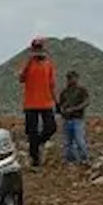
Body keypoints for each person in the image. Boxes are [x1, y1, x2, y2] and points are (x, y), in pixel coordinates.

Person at [18, 37, 58, 168]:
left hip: (46, 102)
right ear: (32, 50)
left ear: (43, 49)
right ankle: (35, 160)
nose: (38, 51)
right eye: (36, 48)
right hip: (30, 104)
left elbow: (52, 85)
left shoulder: (49, 64)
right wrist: (29, 61)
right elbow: (21, 78)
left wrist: (56, 102)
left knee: (51, 127)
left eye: (40, 48)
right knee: (31, 132)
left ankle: (38, 143)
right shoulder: (28, 63)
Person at [57, 70, 91, 165]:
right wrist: (62, 110)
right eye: (69, 78)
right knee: (68, 142)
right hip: (67, 120)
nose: (70, 80)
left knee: (79, 140)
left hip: (77, 119)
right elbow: (61, 104)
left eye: (72, 78)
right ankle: (70, 160)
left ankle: (84, 159)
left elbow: (86, 102)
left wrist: (74, 109)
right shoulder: (64, 92)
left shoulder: (81, 90)